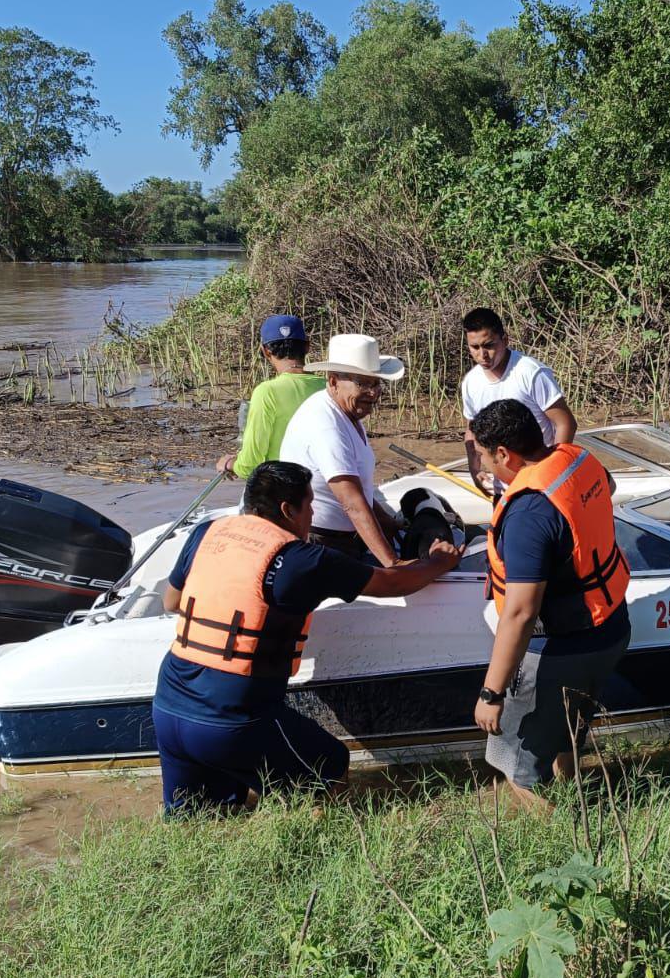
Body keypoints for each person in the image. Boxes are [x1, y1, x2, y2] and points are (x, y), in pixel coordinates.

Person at [153, 461, 461, 813]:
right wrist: (438, 561)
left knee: (200, 818)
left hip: (168, 706)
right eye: (311, 505)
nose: (313, 515)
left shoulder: (207, 532)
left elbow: (172, 600)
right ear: (287, 509)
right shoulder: (303, 560)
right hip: (232, 717)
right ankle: (310, 846)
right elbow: (391, 583)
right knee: (328, 768)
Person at [469, 399, 631, 811]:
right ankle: (579, 795)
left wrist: (491, 692)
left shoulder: (527, 514)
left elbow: (521, 613)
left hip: (563, 646)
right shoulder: (578, 458)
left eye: (486, 458)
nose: (486, 468)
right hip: (611, 626)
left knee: (519, 765)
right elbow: (606, 489)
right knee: (567, 733)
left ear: (504, 453)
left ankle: (557, 844)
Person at [278, 334, 407, 566]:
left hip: (343, 538)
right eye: (363, 384)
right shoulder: (325, 423)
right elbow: (352, 503)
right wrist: (394, 564)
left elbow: (361, 490)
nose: (373, 393)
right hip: (320, 543)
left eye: (376, 383)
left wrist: (389, 522)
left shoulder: (348, 413)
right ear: (334, 381)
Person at [460, 307, 578, 495]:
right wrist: (475, 472)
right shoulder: (470, 383)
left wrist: (554, 473)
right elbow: (471, 433)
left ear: (505, 340)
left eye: (489, 345)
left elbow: (565, 423)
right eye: (475, 347)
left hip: (541, 482)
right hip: (502, 487)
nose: (482, 355)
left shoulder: (530, 373)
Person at [216, 314, 325, 480]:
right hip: (324, 483)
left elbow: (249, 465)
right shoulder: (328, 386)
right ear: (307, 347)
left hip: (283, 487)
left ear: (266, 351)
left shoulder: (266, 392)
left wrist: (229, 464)